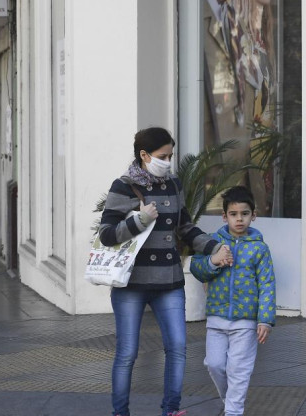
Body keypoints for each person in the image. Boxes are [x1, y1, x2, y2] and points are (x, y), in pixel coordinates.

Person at [99, 127, 223, 416]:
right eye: (162, 156)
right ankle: (120, 412)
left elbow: (185, 227)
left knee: (178, 348)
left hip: (169, 280)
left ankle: (171, 410)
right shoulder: (124, 186)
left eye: (170, 156)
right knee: (127, 353)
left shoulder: (173, 184)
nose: (167, 161)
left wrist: (212, 247)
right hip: (132, 283)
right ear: (144, 155)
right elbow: (106, 235)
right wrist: (139, 220)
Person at [190, 186, 275, 416]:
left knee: (239, 369)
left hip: (245, 322)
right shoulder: (213, 242)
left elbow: (267, 284)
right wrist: (214, 262)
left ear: (253, 215)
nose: (239, 219)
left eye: (245, 214)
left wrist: (265, 320)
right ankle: (231, 402)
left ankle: (233, 411)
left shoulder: (259, 248)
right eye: (234, 214)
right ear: (224, 216)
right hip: (216, 318)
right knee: (215, 364)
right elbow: (197, 268)